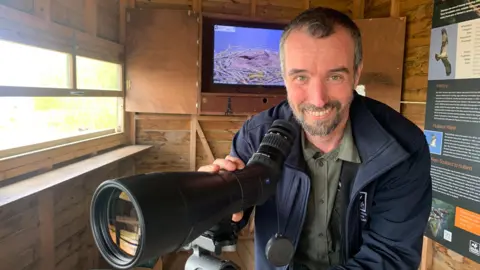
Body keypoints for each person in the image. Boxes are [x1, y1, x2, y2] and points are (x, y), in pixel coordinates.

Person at [198, 7, 432, 270]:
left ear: (356, 74)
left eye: (334, 76)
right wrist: (211, 206)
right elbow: (233, 219)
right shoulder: (256, 136)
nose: (318, 99)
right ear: (284, 77)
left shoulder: (401, 147)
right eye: (301, 77)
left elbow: (390, 257)